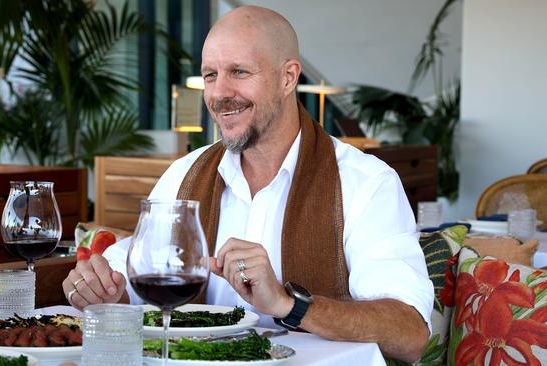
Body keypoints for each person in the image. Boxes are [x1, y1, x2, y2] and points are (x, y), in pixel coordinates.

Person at [63, 5, 433, 362]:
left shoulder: (366, 183)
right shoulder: (183, 175)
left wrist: (289, 304)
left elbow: (411, 334)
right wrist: (105, 290)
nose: (220, 93)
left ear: (288, 78)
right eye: (210, 75)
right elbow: (135, 282)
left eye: (239, 72)